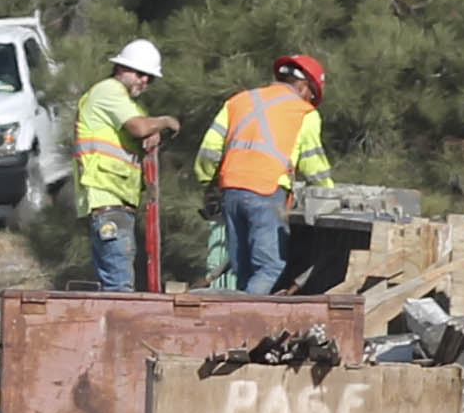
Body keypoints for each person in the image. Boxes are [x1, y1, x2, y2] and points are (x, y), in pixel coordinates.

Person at [194, 51, 333, 294]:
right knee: (269, 267)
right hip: (267, 192)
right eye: (312, 95)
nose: (310, 101)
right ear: (303, 86)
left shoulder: (237, 102)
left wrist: (209, 182)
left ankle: (235, 321)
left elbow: (209, 150)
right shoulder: (304, 113)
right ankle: (247, 323)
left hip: (232, 192)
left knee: (243, 269)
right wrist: (329, 194)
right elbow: (314, 165)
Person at [75, 38, 176, 292]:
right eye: (141, 74)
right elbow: (139, 127)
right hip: (107, 200)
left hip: (117, 202)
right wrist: (165, 121)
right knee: (119, 287)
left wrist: (153, 132)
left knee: (115, 284)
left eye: (150, 78)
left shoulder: (129, 104)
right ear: (122, 69)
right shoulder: (109, 91)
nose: (144, 82)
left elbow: (142, 130)